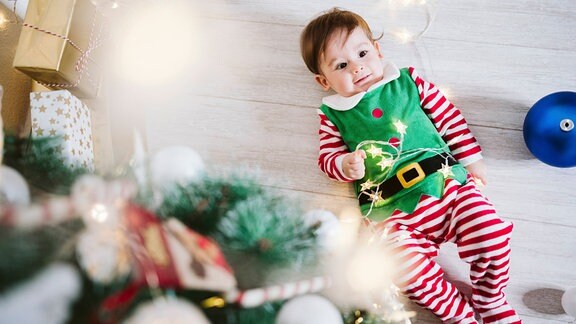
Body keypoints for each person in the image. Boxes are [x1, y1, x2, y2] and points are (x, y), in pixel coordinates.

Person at [300, 7, 521, 324]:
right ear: (324, 80)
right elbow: (326, 158)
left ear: (377, 50)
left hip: (446, 186)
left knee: (490, 231)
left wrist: (472, 159)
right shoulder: (334, 115)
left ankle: (490, 297)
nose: (358, 67)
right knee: (405, 272)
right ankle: (461, 316)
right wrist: (344, 164)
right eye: (342, 65)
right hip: (392, 214)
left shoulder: (408, 83)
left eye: (362, 53)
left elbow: (447, 117)